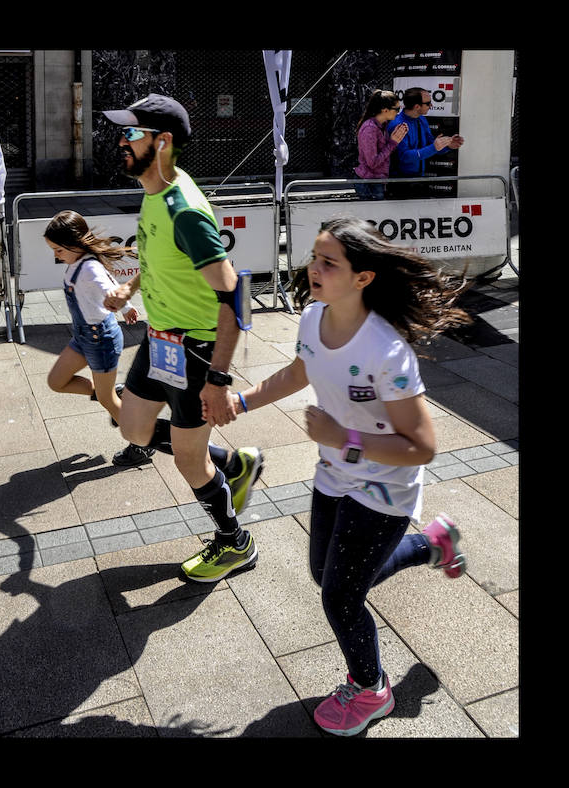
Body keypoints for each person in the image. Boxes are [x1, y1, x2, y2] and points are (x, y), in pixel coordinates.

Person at [232, 216, 471, 736]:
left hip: (386, 489)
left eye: (328, 263)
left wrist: (346, 438)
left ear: (363, 277)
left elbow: (423, 446)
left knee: (339, 598)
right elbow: (301, 370)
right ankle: (431, 544)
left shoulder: (387, 353)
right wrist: (243, 400)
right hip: (334, 476)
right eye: (314, 258)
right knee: (328, 577)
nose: (312, 269)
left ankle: (371, 688)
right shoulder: (313, 316)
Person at [101, 93, 264, 583]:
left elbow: (236, 294)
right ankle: (233, 464)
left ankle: (235, 543)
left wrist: (218, 378)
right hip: (159, 340)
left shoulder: (184, 210)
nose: (122, 143)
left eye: (131, 134)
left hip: (195, 351)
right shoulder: (154, 193)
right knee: (133, 428)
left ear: (162, 141)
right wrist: (129, 286)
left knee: (189, 465)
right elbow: (153, 259)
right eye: (123, 133)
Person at [43, 210, 156, 466]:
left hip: (100, 340)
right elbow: (109, 284)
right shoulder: (80, 262)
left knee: (108, 401)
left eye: (58, 250)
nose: (55, 255)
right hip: (84, 337)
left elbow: (110, 289)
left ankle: (142, 444)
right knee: (56, 381)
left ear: (73, 244)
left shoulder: (90, 268)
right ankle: (115, 392)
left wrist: (125, 307)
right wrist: (126, 309)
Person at [387, 87, 464, 199]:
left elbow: (430, 144)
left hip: (420, 179)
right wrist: (434, 147)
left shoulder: (422, 119)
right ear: (417, 106)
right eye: (428, 103)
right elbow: (404, 156)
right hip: (401, 181)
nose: (431, 106)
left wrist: (447, 145)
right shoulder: (398, 125)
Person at [353, 90, 408, 200]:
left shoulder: (382, 126)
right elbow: (372, 162)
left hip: (376, 181)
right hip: (368, 183)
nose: (398, 112)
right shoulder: (370, 129)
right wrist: (393, 143)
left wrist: (393, 140)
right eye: (397, 109)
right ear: (385, 110)